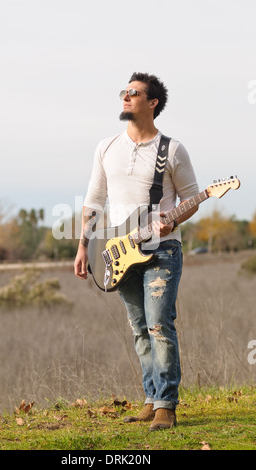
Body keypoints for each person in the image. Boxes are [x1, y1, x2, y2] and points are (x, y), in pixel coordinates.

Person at [74, 72, 199, 430]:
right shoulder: (106, 147)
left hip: (163, 251)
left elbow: (192, 200)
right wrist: (83, 245)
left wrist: (172, 223)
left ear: (152, 102)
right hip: (120, 253)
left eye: (133, 93)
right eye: (123, 93)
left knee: (160, 323)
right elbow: (94, 201)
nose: (125, 98)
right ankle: (150, 398)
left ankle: (166, 405)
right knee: (139, 327)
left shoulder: (172, 150)